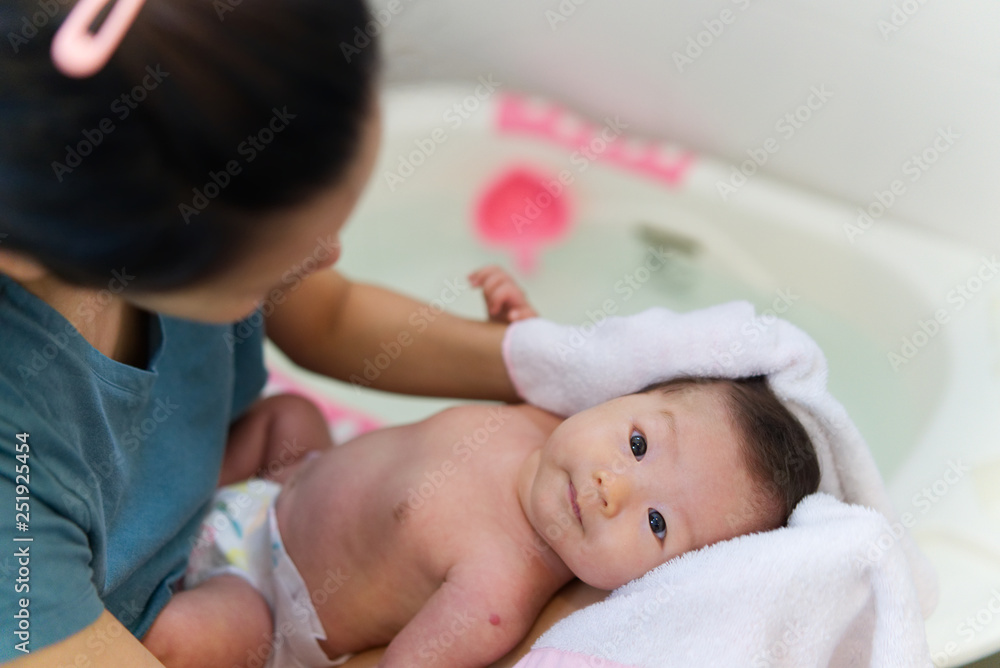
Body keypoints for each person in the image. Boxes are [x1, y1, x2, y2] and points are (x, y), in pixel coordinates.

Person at [0, 2, 523, 665]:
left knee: (295, 424)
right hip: (141, 630)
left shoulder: (170, 192)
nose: (329, 256)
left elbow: (329, 317)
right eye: (273, 269)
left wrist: (550, 364)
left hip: (206, 511)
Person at [148, 272, 821, 668]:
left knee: (187, 637)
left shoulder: (499, 598)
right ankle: (165, 514)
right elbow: (533, 361)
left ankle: (140, 586)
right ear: (618, 396)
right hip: (282, 486)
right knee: (289, 416)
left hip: (266, 594)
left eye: (656, 522)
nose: (613, 487)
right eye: (639, 444)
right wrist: (514, 324)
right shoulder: (541, 416)